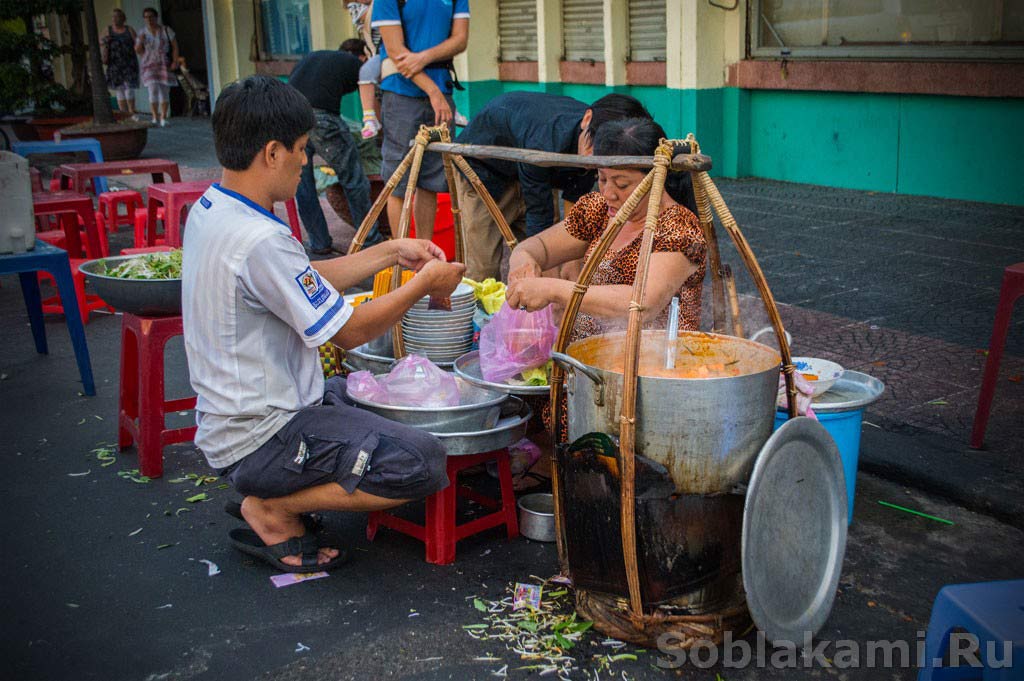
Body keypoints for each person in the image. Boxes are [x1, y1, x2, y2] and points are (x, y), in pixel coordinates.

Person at [181, 75, 466, 572]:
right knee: (421, 461)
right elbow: (350, 332)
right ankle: (273, 507)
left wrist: (392, 252)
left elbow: (301, 279)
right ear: (272, 153)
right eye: (300, 149)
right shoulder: (258, 237)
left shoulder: (214, 207)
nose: (306, 161)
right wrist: (424, 285)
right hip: (262, 434)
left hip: (235, 420)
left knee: (365, 393)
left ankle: (275, 491)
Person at [506, 117, 707, 346]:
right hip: (588, 362)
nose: (609, 193)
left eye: (622, 184)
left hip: (654, 365)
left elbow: (643, 304)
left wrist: (553, 289)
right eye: (602, 179)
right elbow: (536, 247)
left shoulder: (679, 227)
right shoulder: (598, 210)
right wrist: (522, 263)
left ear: (657, 179)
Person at [455, 92, 658, 281]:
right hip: (484, 170)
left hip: (533, 171)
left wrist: (571, 262)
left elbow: (574, 206)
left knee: (554, 256)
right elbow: (539, 214)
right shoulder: (545, 139)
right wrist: (551, 285)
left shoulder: (596, 148)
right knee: (483, 266)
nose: (592, 160)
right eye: (592, 149)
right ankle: (479, 314)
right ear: (587, 119)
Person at [372, 0, 469, 241]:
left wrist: (424, 58)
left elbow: (460, 39)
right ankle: (402, 255)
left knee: (433, 181)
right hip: (401, 94)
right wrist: (432, 92)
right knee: (399, 182)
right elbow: (395, 51)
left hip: (442, 92)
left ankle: (424, 254)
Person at [287, 44, 379, 254]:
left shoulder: (318, 58)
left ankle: (319, 242)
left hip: (291, 116)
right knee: (354, 179)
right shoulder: (358, 65)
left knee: (302, 182)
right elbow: (373, 98)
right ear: (361, 56)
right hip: (321, 118)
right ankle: (369, 241)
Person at [134, 7, 178, 127]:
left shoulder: (165, 30)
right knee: (152, 89)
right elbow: (137, 50)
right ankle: (154, 116)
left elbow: (174, 46)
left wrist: (175, 61)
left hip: (163, 62)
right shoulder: (142, 32)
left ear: (156, 17)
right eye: (146, 17)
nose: (149, 19)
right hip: (149, 64)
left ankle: (163, 117)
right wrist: (140, 42)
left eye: (151, 16)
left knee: (164, 90)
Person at [100, 8, 139, 116]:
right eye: (113, 17)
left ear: (123, 18)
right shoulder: (108, 30)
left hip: (129, 63)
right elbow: (101, 42)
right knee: (119, 89)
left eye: (117, 16)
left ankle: (132, 112)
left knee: (129, 88)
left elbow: (138, 44)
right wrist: (105, 43)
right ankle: (124, 114)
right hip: (114, 63)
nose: (114, 19)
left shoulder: (129, 29)